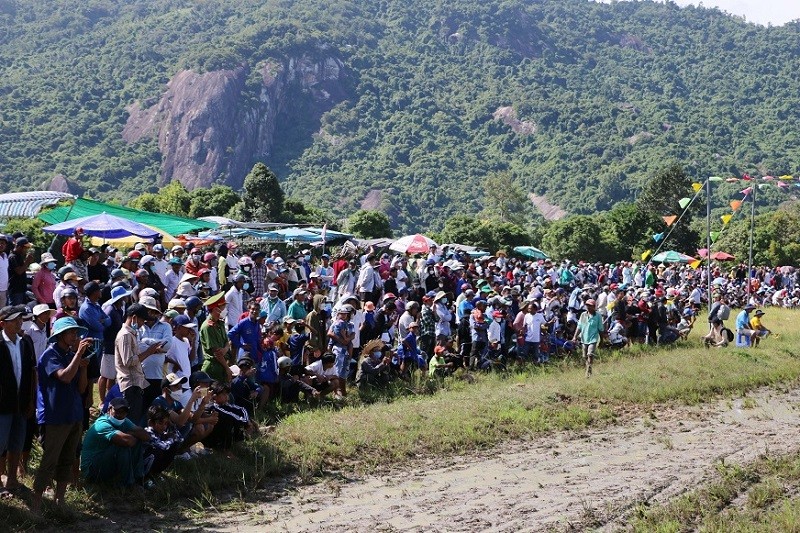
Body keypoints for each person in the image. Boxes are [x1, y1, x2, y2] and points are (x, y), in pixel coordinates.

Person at [31, 317, 92, 512]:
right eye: (72, 332)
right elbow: (64, 377)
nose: (76, 336)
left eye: (76, 332)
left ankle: (60, 501)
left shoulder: (69, 355)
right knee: (50, 460)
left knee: (67, 458)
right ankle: (36, 504)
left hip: (74, 414)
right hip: (55, 416)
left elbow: (82, 388)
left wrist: (83, 368)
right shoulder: (50, 355)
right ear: (60, 335)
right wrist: (78, 355)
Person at [0, 305, 37, 499]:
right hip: (2, 404)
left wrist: (31, 400)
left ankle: (12, 479)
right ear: (2, 323)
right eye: (14, 320)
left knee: (16, 442)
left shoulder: (25, 342)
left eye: (20, 319)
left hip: (21, 404)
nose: (19, 322)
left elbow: (31, 374)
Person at [81, 397, 151, 486]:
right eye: (117, 411)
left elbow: (146, 436)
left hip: (105, 462)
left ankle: (138, 477)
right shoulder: (102, 424)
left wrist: (130, 434)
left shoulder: (124, 421)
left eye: (124, 412)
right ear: (109, 410)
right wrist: (131, 435)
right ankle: (128, 484)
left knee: (136, 442)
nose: (120, 414)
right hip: (92, 470)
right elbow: (128, 441)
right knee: (122, 447)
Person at [115, 303, 163, 426]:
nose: (143, 323)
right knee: (130, 421)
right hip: (130, 384)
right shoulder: (125, 335)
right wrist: (149, 352)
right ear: (134, 317)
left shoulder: (131, 334)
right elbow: (128, 362)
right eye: (142, 320)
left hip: (135, 383)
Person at [200, 292, 233, 383]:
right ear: (215, 309)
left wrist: (225, 349)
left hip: (222, 365)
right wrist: (227, 369)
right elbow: (217, 353)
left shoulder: (220, 323)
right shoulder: (208, 327)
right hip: (213, 368)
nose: (224, 310)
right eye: (222, 308)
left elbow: (227, 342)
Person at [573, 299, 604, 378]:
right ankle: (588, 367)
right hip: (584, 338)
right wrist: (575, 337)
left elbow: (600, 329)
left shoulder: (598, 316)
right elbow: (579, 327)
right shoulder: (583, 315)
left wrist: (602, 340)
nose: (588, 307)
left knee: (590, 354)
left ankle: (588, 372)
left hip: (593, 338)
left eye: (590, 306)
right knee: (584, 356)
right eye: (587, 305)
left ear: (594, 307)